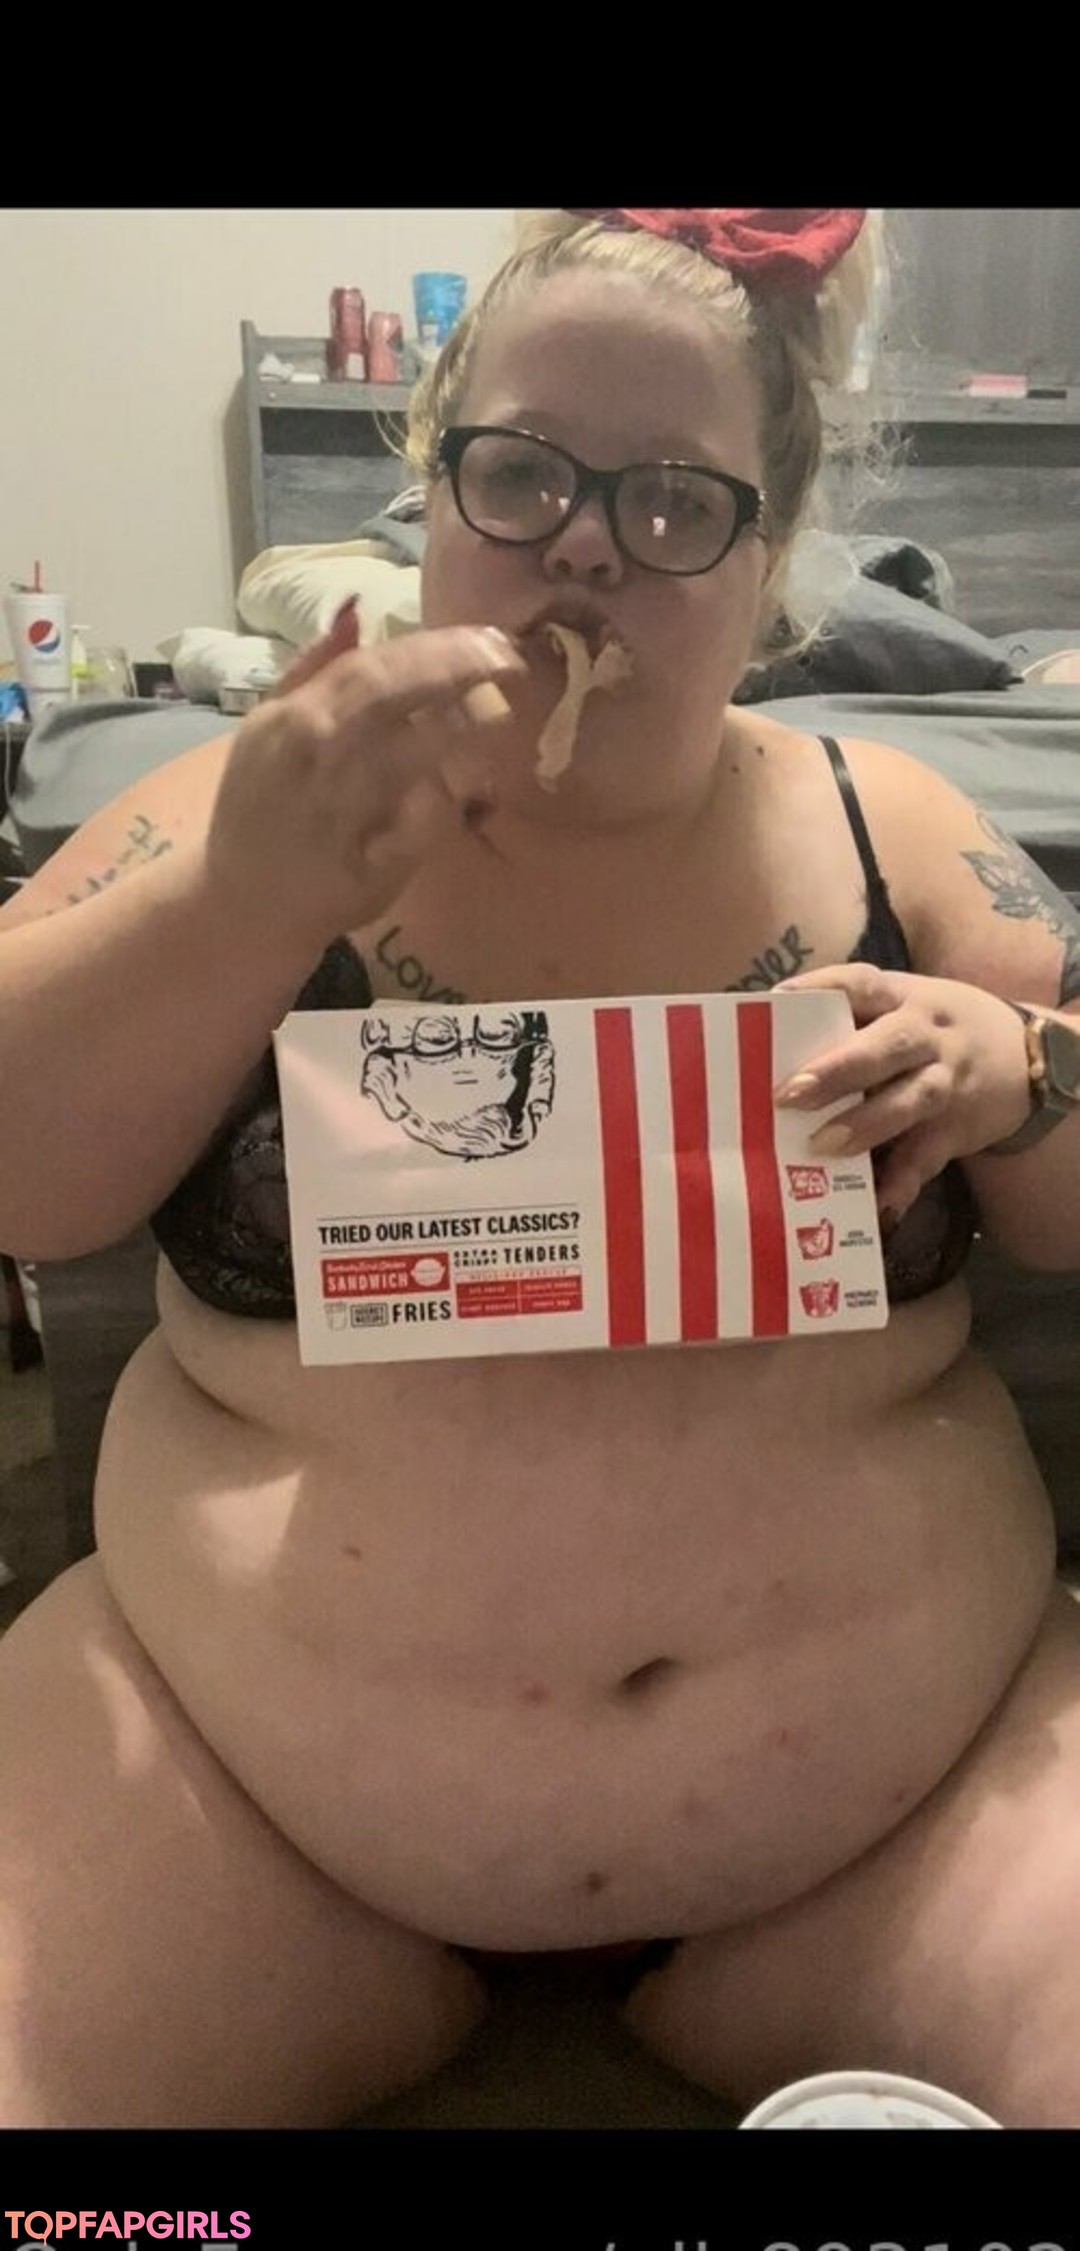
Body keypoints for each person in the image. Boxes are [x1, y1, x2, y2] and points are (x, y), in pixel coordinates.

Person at [1, 205, 1079, 2130]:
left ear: (770, 557)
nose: (584, 545)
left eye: (673, 502)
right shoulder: (225, 814)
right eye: (522, 476)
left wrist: (1028, 1075)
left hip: (912, 1840)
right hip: (237, 1831)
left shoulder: (897, 826)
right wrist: (238, 900)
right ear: (434, 491)